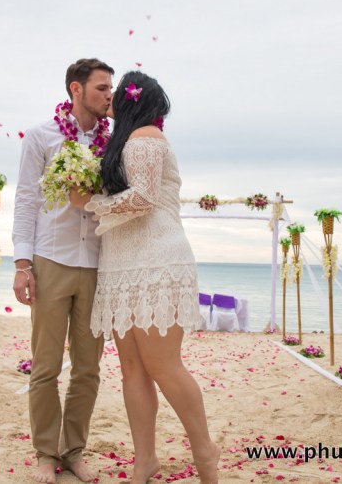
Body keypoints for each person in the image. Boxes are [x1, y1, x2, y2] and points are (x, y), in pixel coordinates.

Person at [72, 71, 219, 484]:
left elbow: (142, 199)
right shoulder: (128, 140)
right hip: (123, 262)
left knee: (164, 366)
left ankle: (205, 451)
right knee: (133, 370)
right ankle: (145, 461)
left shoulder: (146, 138)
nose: (112, 98)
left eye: (118, 92)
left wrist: (91, 203)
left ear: (133, 100)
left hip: (155, 261)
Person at [12, 58, 114, 484]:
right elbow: (26, 199)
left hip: (98, 263)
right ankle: (45, 453)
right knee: (46, 366)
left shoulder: (114, 142)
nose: (110, 95)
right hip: (51, 259)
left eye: (111, 88)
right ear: (76, 89)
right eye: (102, 88)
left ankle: (73, 451)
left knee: (88, 369)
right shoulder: (41, 136)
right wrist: (22, 263)